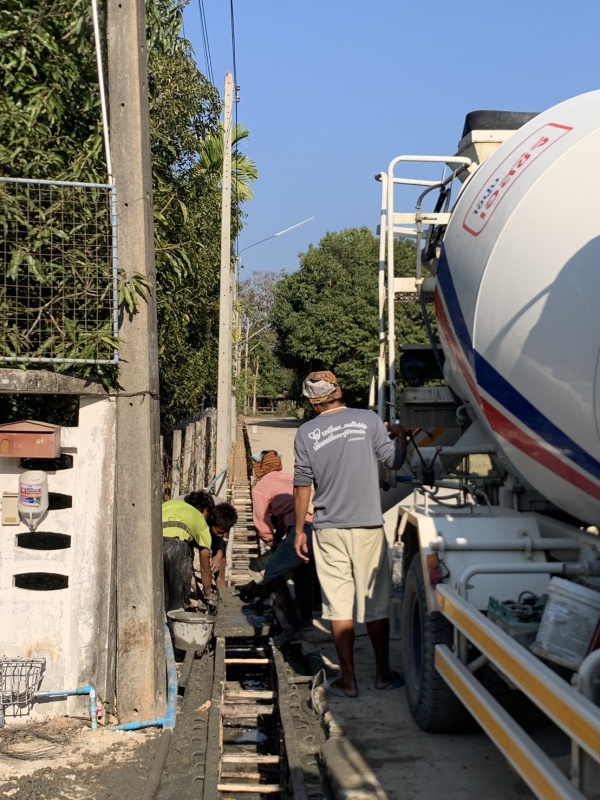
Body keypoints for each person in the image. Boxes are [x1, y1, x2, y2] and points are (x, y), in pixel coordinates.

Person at [293, 370, 407, 698]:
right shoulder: (368, 420)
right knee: (376, 601)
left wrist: (299, 531)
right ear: (339, 391)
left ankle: (349, 681)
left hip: (328, 529)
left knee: (338, 605)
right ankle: (382, 675)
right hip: (368, 525)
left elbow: (302, 484)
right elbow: (394, 461)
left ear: (313, 402)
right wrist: (400, 437)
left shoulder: (306, 433)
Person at [238, 449, 318, 646]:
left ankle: (290, 629)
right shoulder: (288, 478)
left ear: (259, 467)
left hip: (302, 529)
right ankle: (306, 621)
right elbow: (286, 512)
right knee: (303, 569)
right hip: (320, 525)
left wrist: (270, 541)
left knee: (272, 574)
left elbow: (261, 521)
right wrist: (281, 535)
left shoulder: (261, 487)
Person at [162, 492, 214, 614]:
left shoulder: (168, 504)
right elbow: (205, 569)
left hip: (152, 543)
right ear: (205, 511)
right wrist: (208, 594)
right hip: (176, 547)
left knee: (160, 594)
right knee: (177, 599)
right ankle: (176, 622)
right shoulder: (200, 519)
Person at [208, 501, 238, 587]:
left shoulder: (225, 515)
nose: (221, 535)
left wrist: (219, 553)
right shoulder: (204, 518)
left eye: (224, 532)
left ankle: (220, 582)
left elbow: (219, 539)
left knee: (221, 552)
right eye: (219, 532)